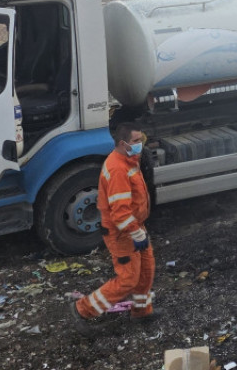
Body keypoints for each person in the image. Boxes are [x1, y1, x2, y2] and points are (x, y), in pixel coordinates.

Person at [72, 123, 156, 332]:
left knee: (146, 270)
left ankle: (141, 312)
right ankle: (83, 309)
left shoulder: (128, 160)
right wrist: (136, 233)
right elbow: (120, 214)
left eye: (141, 139)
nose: (141, 145)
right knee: (128, 279)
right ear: (123, 143)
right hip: (122, 233)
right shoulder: (118, 168)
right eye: (137, 141)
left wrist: (138, 229)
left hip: (134, 227)